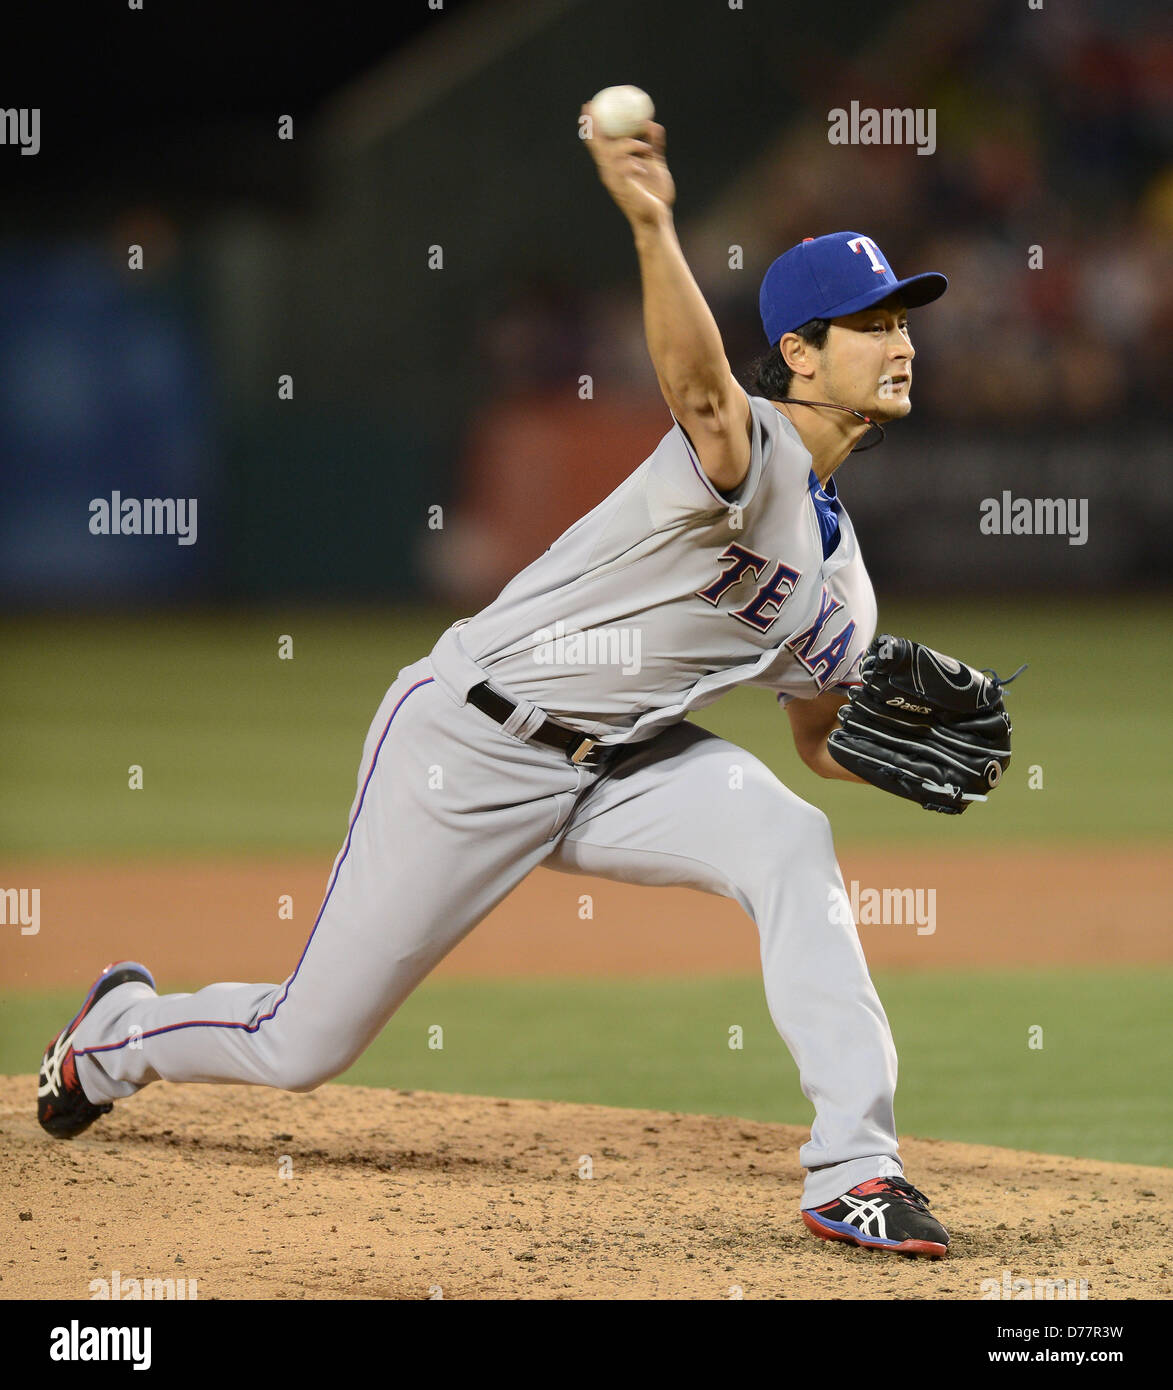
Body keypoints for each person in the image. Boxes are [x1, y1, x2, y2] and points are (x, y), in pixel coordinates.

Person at [37, 106, 952, 1259]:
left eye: (903, 318)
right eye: (868, 323)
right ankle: (117, 1032)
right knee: (302, 1044)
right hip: (469, 744)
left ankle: (856, 1168)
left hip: (623, 766)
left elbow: (817, 731)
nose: (902, 339)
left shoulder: (848, 590)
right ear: (802, 355)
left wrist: (874, 741)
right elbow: (700, 384)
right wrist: (652, 222)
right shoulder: (744, 451)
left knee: (790, 838)